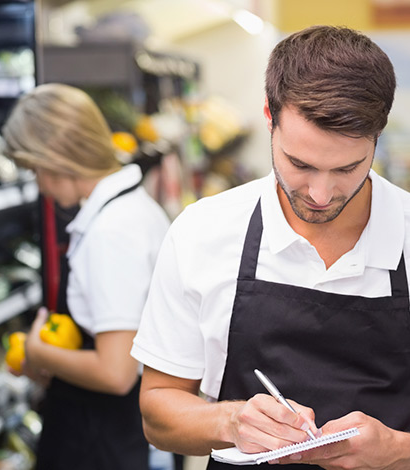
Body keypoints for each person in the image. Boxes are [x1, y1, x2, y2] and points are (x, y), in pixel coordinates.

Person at [130, 25, 410, 470]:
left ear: (378, 136)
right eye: (300, 164)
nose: (321, 194)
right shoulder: (203, 232)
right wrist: (230, 420)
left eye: (347, 168)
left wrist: (398, 450)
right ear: (269, 117)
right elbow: (157, 414)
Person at [2, 83, 170, 470]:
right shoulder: (131, 207)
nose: (38, 184)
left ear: (54, 159)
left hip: (100, 440)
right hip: (110, 433)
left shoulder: (112, 231)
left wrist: (38, 353)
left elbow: (116, 373)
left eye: (33, 169)